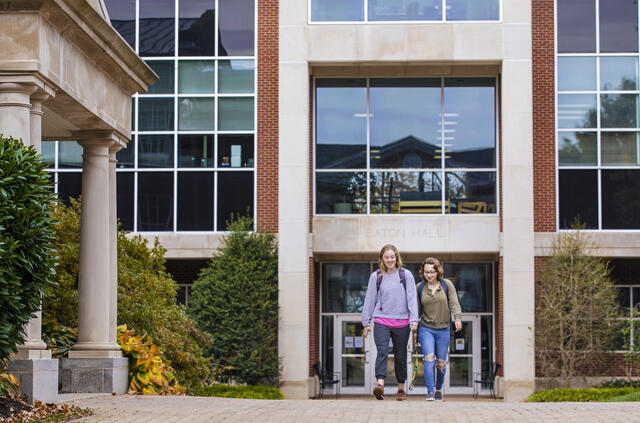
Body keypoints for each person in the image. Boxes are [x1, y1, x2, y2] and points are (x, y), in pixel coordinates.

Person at [362, 244, 418, 401]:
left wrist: (414, 319)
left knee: (400, 356)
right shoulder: (376, 276)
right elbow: (369, 300)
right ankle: (380, 384)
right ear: (381, 259)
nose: (389, 260)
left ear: (397, 257)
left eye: (392, 257)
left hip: (402, 322)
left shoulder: (405, 275)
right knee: (382, 351)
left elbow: (412, 299)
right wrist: (366, 323)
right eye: (386, 257)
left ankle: (401, 388)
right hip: (381, 320)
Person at [416, 257, 462, 401]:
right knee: (429, 359)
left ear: (438, 271)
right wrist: (413, 324)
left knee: (440, 363)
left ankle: (438, 389)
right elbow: (416, 309)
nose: (429, 275)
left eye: (432, 272)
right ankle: (430, 391)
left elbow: (454, 303)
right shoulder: (419, 287)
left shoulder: (447, 284)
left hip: (444, 329)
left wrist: (457, 318)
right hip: (426, 328)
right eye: (426, 272)